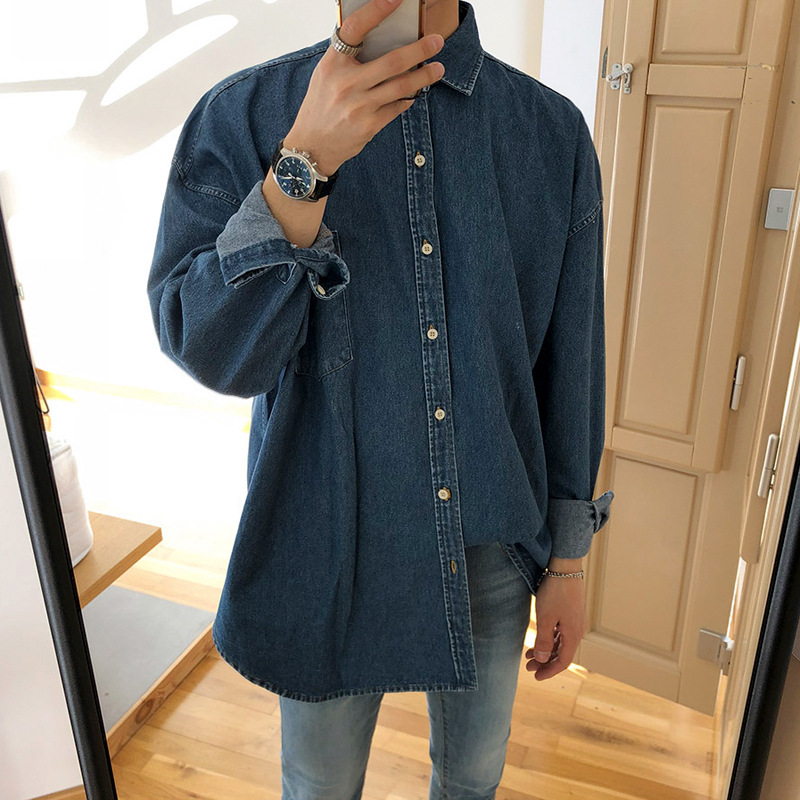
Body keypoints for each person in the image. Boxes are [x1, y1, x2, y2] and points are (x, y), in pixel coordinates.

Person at [146, 0, 615, 797]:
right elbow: (211, 350)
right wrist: (302, 166)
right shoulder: (246, 115)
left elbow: (570, 360)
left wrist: (567, 558)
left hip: (489, 542)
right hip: (320, 536)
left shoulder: (549, 133)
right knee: (318, 786)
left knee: (472, 782)